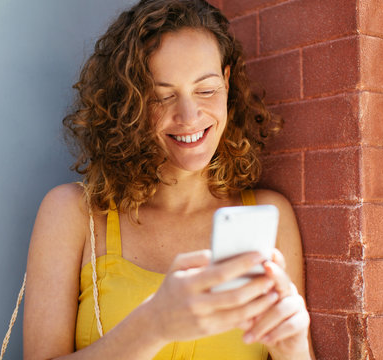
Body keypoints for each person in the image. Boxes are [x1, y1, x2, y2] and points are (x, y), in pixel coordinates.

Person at [23, 0, 313, 359]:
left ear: (226, 83)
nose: (189, 117)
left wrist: (294, 348)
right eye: (163, 96)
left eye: (205, 90)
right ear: (131, 102)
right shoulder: (74, 214)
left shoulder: (270, 215)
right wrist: (153, 326)